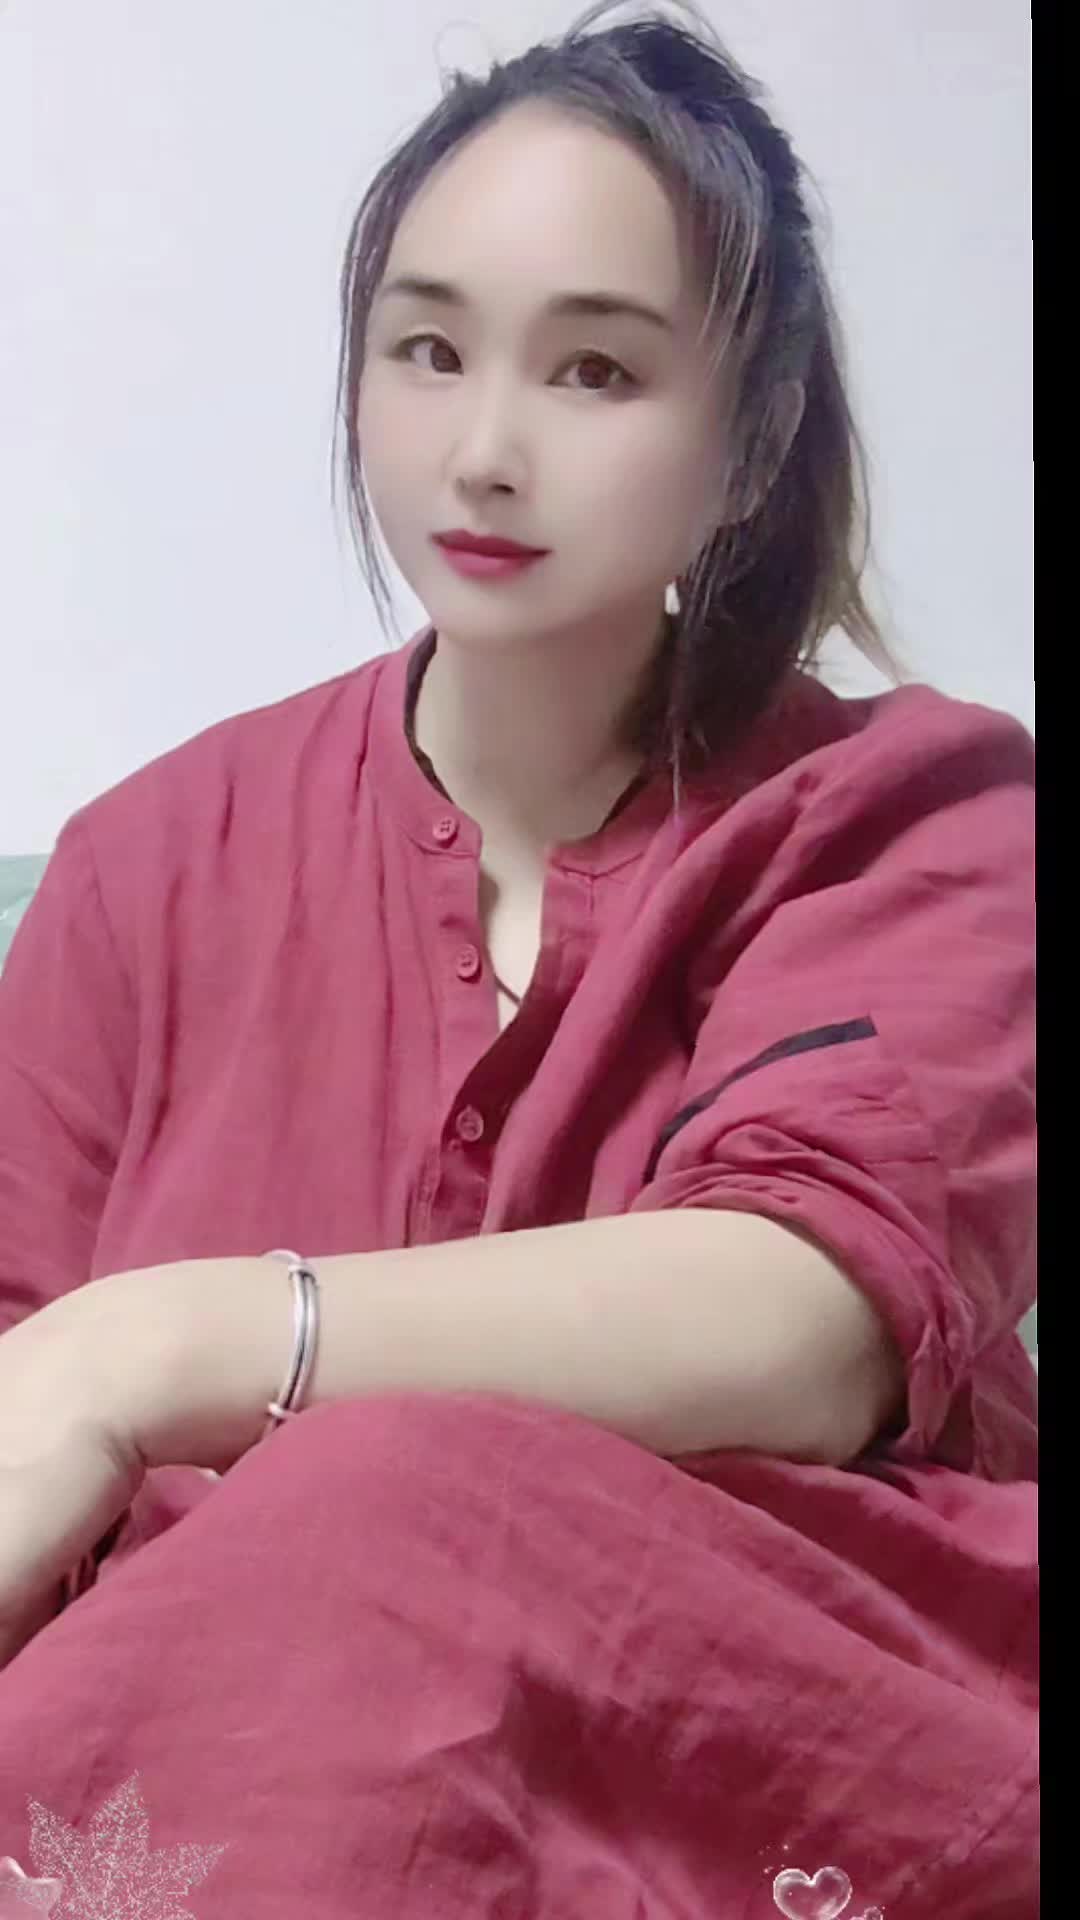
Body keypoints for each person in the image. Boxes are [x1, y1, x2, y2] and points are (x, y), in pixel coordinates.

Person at [0, 4, 1035, 1916]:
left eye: (595, 370)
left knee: (379, 1494)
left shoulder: (915, 817)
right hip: (213, 1816)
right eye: (427, 350)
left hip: (768, 1768)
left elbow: (809, 1314)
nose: (483, 452)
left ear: (751, 442)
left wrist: (156, 1347)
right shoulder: (147, 865)